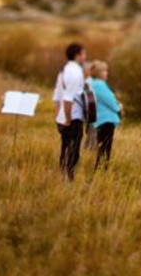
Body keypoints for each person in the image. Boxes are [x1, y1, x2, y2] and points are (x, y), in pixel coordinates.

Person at [53, 43, 87, 181]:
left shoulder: (63, 70)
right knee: (73, 151)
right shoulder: (75, 72)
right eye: (84, 53)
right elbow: (68, 99)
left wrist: (58, 116)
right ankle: (69, 179)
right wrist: (67, 119)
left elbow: (56, 97)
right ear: (77, 55)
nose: (85, 56)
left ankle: (63, 177)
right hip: (72, 118)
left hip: (63, 117)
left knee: (65, 148)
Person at [90, 60, 122, 172]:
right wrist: (119, 107)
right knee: (105, 148)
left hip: (102, 119)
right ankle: (101, 170)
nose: (106, 73)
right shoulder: (99, 85)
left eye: (106, 70)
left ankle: (101, 169)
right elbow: (109, 100)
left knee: (103, 146)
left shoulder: (95, 84)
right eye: (104, 71)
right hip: (106, 120)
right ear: (99, 72)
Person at [82, 62, 98, 151]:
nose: (90, 71)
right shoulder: (85, 82)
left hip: (92, 110)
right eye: (88, 69)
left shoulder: (92, 81)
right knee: (91, 132)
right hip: (88, 111)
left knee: (91, 132)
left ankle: (88, 150)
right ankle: (88, 150)